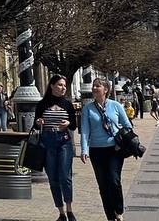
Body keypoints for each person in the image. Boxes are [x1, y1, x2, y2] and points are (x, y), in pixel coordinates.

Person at [80, 77, 133, 221]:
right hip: (96, 150)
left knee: (114, 180)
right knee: (103, 184)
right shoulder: (87, 109)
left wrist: (120, 142)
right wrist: (84, 150)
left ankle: (119, 211)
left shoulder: (115, 106)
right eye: (93, 86)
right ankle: (110, 215)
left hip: (114, 150)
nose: (94, 88)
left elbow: (128, 126)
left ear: (106, 89)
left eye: (98, 86)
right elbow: (85, 131)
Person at [34, 75, 78, 221]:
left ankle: (70, 210)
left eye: (64, 86)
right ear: (52, 86)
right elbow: (36, 123)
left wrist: (68, 123)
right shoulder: (42, 104)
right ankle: (61, 213)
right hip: (48, 141)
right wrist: (39, 122)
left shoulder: (67, 104)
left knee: (65, 176)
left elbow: (73, 125)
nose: (63, 88)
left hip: (64, 141)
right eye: (59, 85)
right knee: (53, 178)